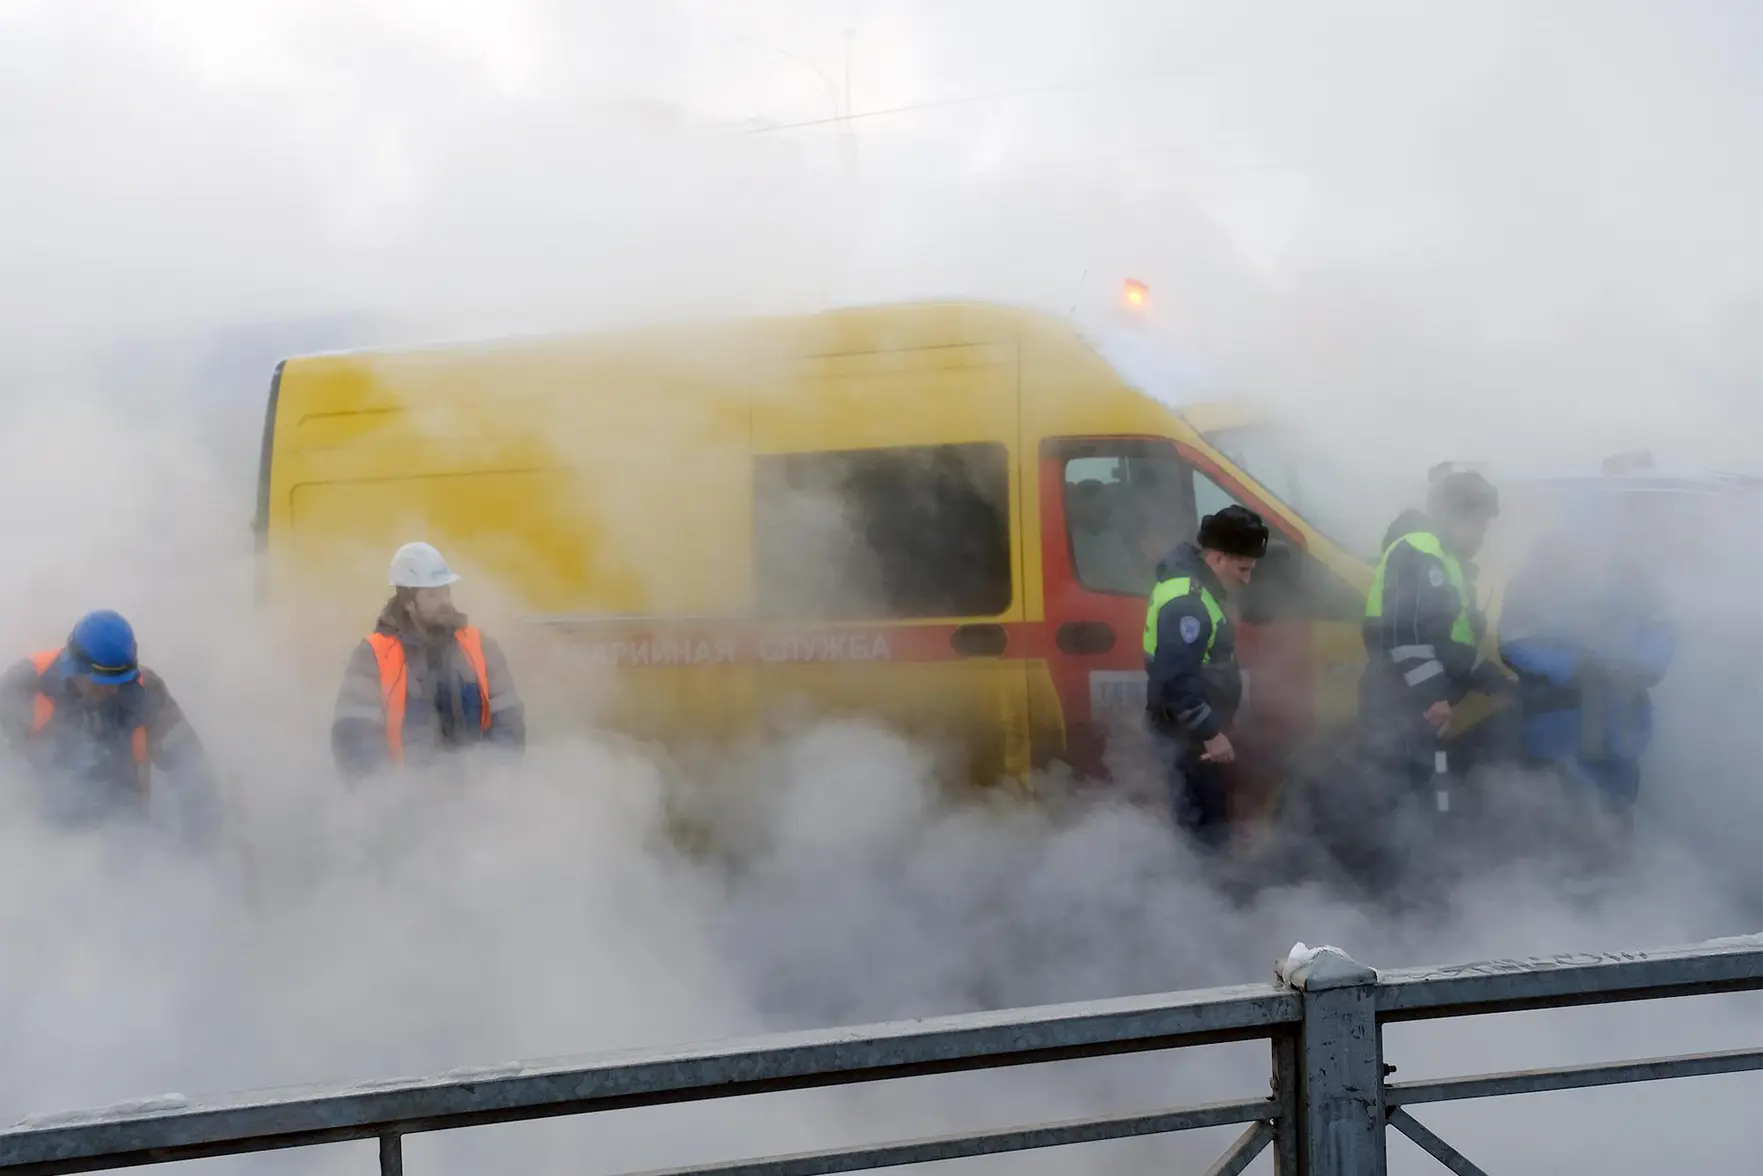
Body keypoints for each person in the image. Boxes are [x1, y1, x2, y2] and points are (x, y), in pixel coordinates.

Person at [1498, 489, 1673, 845]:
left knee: (1619, 806)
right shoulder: (1535, 579)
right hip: (1562, 719)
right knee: (1567, 808)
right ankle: (1565, 886)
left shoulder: (1634, 576)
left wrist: (1647, 664)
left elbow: (1662, 625)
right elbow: (1513, 640)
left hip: (1622, 719)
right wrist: (1572, 667)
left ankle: (1615, 879)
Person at [1358, 471, 1509, 848]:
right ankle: (1403, 891)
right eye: (1480, 526)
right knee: (1406, 800)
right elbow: (1403, 632)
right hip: (1401, 703)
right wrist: (1433, 696)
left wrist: (1497, 682)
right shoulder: (1422, 552)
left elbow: (1448, 644)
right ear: (1457, 516)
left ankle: (1422, 881)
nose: (1482, 539)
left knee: (1425, 797)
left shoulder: (1443, 559)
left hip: (1412, 704)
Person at [0, 609, 218, 836]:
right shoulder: (27, 684)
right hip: (40, 833)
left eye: (118, 683)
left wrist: (202, 849)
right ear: (75, 667)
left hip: (124, 833)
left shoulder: (146, 692)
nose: (110, 690)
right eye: (98, 683)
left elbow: (192, 769)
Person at [331, 542, 526, 781]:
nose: (444, 601)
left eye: (446, 591)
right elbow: (354, 734)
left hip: (475, 797)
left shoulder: (480, 646)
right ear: (408, 602)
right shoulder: (373, 655)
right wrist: (389, 792)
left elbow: (509, 719)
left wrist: (494, 778)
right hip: (406, 803)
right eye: (433, 595)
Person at [1144, 505, 1270, 850]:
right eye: (1242, 568)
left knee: (1201, 817)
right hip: (1188, 735)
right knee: (1202, 824)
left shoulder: (1195, 586)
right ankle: (1201, 892)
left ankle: (1202, 888)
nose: (1247, 578)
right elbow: (1175, 679)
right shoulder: (1189, 600)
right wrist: (1210, 733)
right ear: (1216, 559)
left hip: (1191, 731)